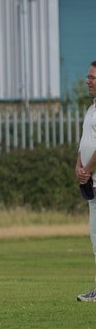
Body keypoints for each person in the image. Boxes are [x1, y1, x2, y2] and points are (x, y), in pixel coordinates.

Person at [76, 61, 96, 302]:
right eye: (88, 76)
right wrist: (78, 167)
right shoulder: (91, 109)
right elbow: (84, 143)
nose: (88, 80)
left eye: (92, 77)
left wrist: (87, 168)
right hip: (91, 182)